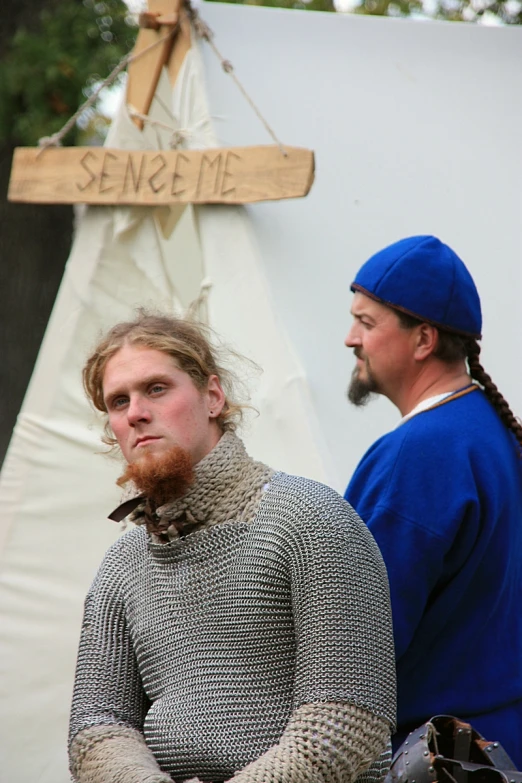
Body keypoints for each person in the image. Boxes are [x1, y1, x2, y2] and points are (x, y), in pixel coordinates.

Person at [68, 311, 396, 783]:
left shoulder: (309, 520)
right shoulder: (123, 563)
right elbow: (97, 725)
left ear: (213, 396)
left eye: (157, 388)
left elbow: (345, 721)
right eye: (118, 402)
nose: (136, 412)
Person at [343, 235, 522, 765]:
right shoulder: (493, 434)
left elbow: (357, 640)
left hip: (442, 757)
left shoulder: (419, 455)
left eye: (367, 323)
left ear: (423, 339)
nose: (350, 338)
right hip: (497, 745)